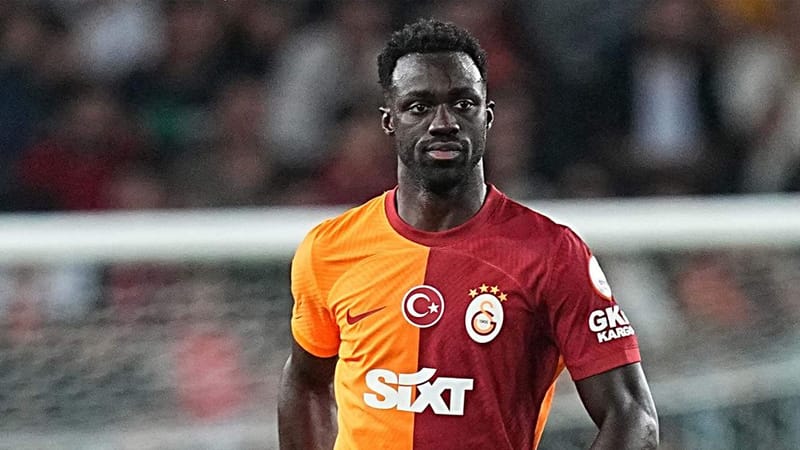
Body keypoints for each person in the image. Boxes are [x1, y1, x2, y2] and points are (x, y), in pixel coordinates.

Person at [278, 19, 659, 450]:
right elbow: (306, 382)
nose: (443, 122)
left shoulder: (550, 254)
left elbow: (634, 418)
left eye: (462, 104)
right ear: (389, 121)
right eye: (419, 107)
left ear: (487, 117)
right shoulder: (330, 249)